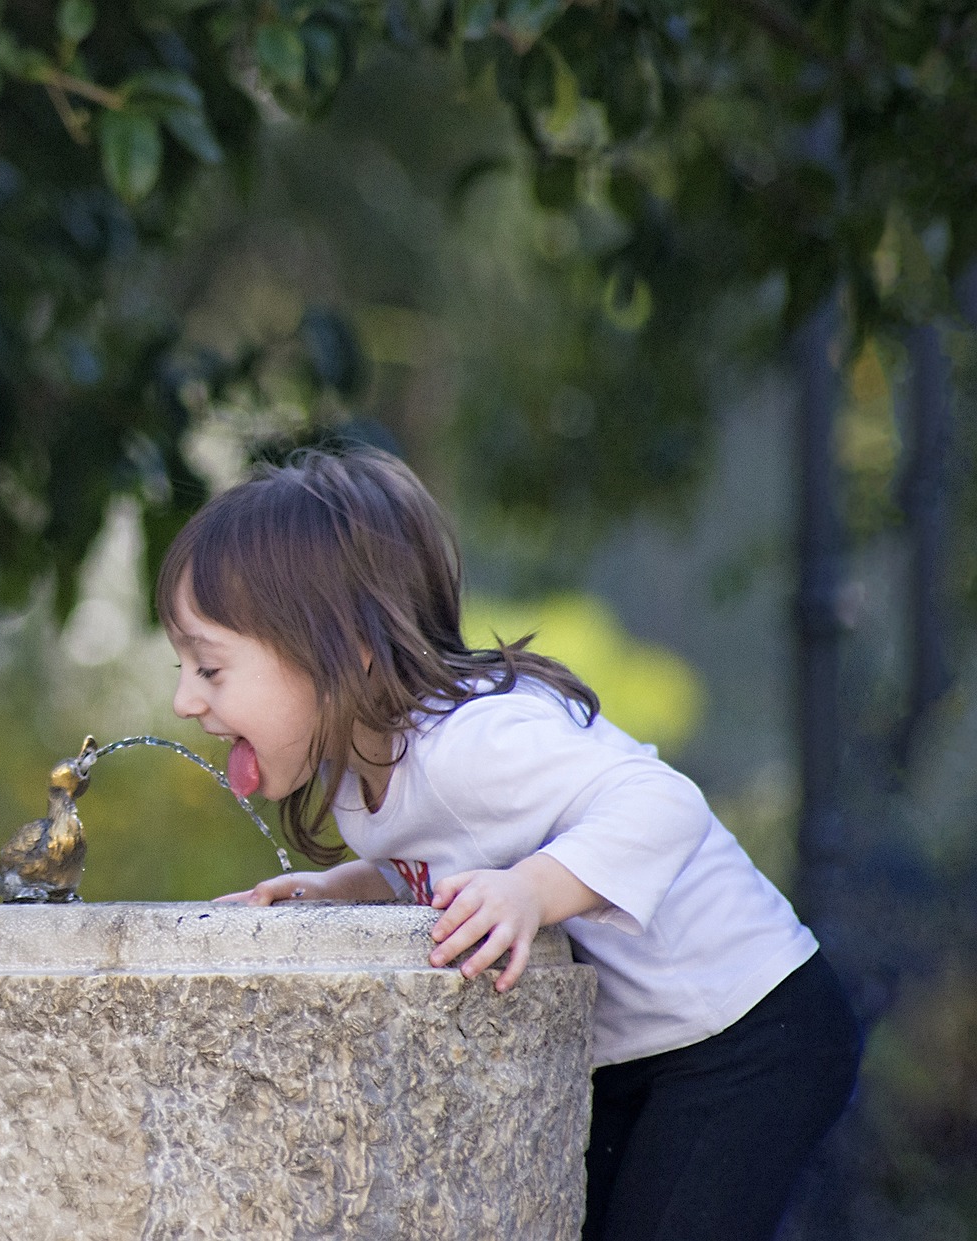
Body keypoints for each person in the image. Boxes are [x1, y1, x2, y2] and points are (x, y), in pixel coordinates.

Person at [165, 446, 860, 1241]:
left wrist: (530, 890)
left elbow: (664, 803)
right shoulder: (361, 777)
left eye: (211, 668)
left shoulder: (475, 742)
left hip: (750, 1026)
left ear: (344, 646)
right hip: (649, 1048)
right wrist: (347, 887)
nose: (185, 699)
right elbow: (450, 855)